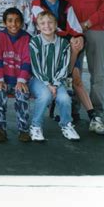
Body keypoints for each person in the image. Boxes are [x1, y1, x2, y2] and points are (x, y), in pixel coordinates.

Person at [31, 0, 104, 134]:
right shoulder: (37, 4)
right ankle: (66, 108)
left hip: (66, 47)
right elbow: (48, 29)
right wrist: (70, 36)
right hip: (48, 51)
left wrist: (78, 38)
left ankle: (93, 117)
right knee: (70, 74)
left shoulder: (66, 5)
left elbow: (76, 29)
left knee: (77, 78)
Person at [29, 11, 80, 141]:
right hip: (38, 80)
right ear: (38, 26)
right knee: (45, 96)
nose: (47, 26)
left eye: (50, 22)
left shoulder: (64, 44)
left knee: (65, 99)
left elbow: (65, 67)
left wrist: (55, 84)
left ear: (56, 24)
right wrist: (48, 84)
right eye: (42, 23)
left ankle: (66, 124)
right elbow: (36, 67)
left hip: (58, 81)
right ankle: (35, 126)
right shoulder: (34, 42)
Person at [0, 8, 32, 143]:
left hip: (19, 79)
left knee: (22, 96)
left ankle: (23, 130)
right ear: (4, 22)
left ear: (21, 23)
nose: (13, 24)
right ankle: (1, 129)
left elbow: (27, 61)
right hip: (3, 79)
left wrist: (21, 81)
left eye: (17, 21)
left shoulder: (26, 38)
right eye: (9, 21)